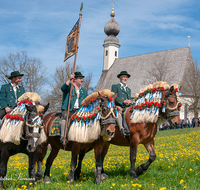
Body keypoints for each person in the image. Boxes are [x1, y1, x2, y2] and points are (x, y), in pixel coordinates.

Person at [60, 71, 87, 144]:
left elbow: (86, 101)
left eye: (82, 78)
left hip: (79, 110)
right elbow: (63, 88)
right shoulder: (69, 87)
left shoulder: (84, 91)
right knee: (65, 117)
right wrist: (69, 79)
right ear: (74, 79)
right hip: (68, 108)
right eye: (80, 78)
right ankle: (63, 136)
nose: (82, 80)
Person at [111, 71, 132, 136]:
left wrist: (129, 101)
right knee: (119, 110)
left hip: (127, 106)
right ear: (120, 78)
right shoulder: (115, 86)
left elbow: (129, 98)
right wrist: (123, 101)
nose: (125, 78)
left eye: (126, 77)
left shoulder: (129, 89)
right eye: (123, 77)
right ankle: (121, 129)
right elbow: (114, 97)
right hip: (118, 105)